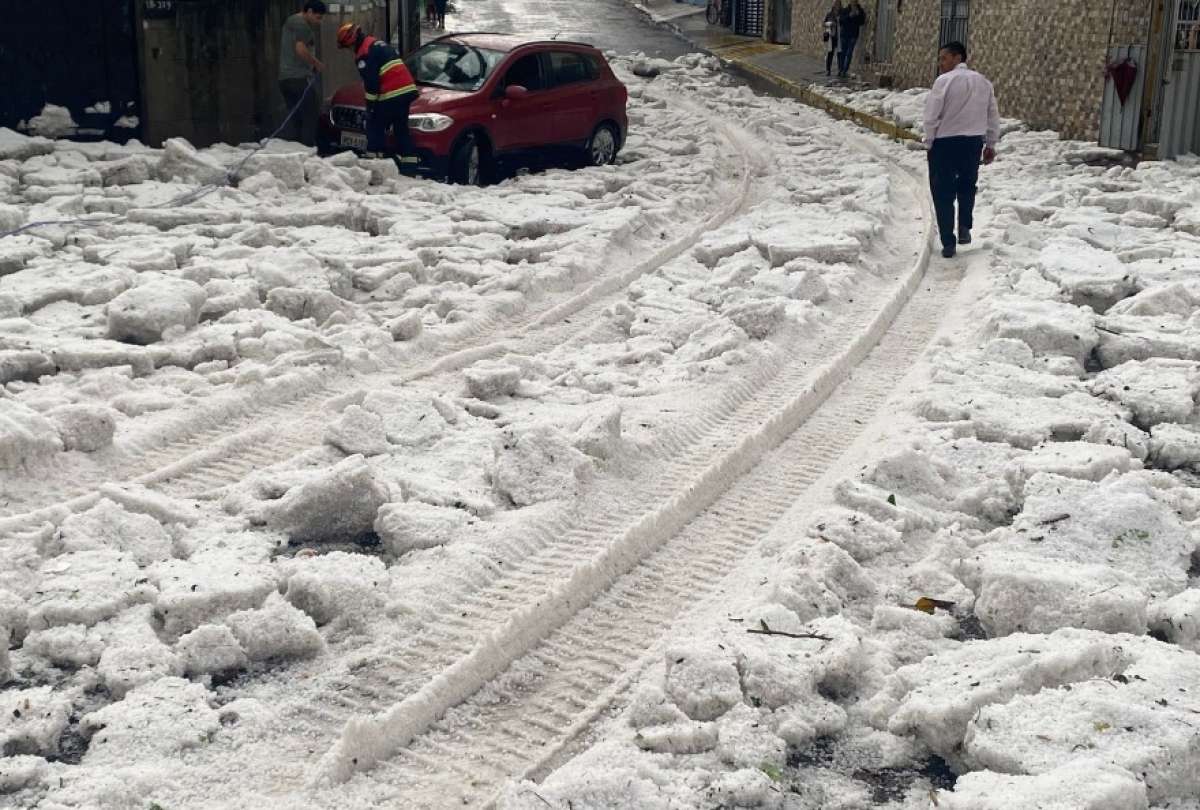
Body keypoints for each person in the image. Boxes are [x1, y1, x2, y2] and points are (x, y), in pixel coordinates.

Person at [922, 41, 1000, 258]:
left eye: (944, 58)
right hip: (972, 143)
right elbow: (992, 114)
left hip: (944, 143)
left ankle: (948, 241)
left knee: (942, 191)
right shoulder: (984, 82)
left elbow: (931, 115)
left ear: (958, 58)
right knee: (967, 185)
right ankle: (964, 225)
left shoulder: (944, 81)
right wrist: (990, 143)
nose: (941, 63)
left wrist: (929, 141)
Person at [336, 22, 420, 169]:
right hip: (406, 90)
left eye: (347, 47)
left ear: (351, 42)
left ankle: (374, 158)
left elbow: (371, 84)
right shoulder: (374, 43)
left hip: (393, 92)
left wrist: (370, 106)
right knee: (401, 127)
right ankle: (409, 164)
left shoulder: (364, 54)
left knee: (374, 123)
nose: (349, 50)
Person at [278, 1, 326, 146]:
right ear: (309, 11)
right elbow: (300, 49)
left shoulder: (291, 21)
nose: (319, 22)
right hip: (298, 78)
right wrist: (316, 63)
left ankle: (297, 148)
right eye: (318, 17)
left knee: (296, 117)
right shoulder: (302, 25)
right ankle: (308, 148)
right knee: (311, 113)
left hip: (285, 79)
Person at [836, 0, 866, 78]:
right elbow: (841, 21)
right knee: (842, 53)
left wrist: (858, 15)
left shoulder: (860, 11)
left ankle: (845, 70)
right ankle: (840, 69)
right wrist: (849, 16)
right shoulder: (845, 10)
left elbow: (862, 22)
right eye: (852, 1)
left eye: (855, 1)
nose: (853, 2)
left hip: (853, 35)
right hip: (844, 35)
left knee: (849, 53)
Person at [822, 3, 840, 77]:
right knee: (830, 54)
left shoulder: (841, 14)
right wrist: (830, 23)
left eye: (838, 6)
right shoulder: (829, 14)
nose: (837, 7)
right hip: (831, 37)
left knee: (840, 54)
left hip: (839, 37)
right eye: (836, 6)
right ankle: (828, 70)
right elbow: (823, 24)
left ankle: (840, 70)